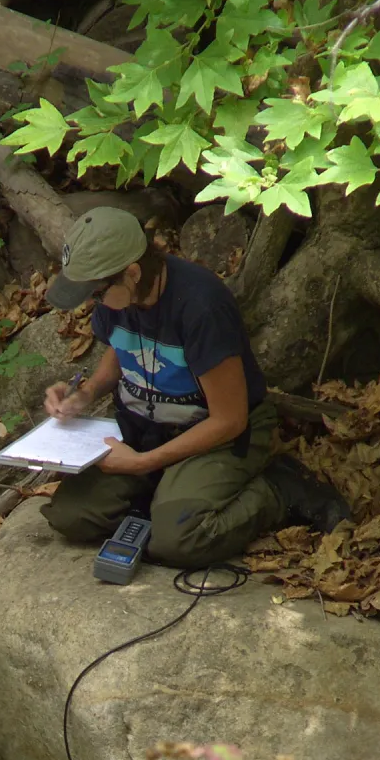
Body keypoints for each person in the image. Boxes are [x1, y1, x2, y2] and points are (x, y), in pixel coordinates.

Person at [40, 207, 350, 569]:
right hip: (143, 430)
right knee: (69, 516)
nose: (91, 303)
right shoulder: (117, 296)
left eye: (95, 294)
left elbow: (229, 420)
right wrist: (86, 392)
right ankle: (165, 493)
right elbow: (119, 345)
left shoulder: (201, 306)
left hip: (215, 437)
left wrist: (143, 463)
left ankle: (279, 489)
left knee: (178, 541)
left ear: (133, 272)